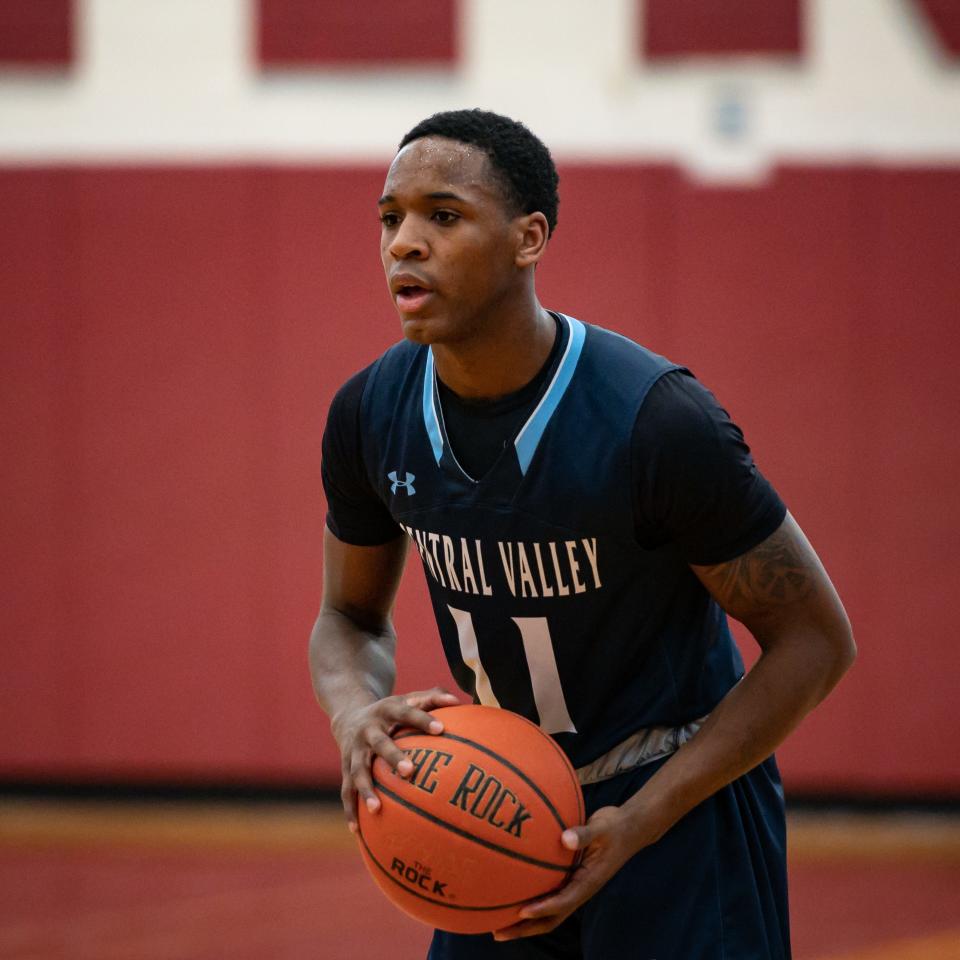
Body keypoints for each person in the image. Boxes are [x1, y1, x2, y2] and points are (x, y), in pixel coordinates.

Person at [311, 108, 855, 959]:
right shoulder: (369, 415)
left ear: (529, 239)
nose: (403, 244)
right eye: (391, 218)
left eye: (442, 216)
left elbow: (815, 642)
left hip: (674, 815)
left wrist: (641, 820)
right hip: (491, 809)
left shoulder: (657, 424)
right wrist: (352, 716)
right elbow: (347, 618)